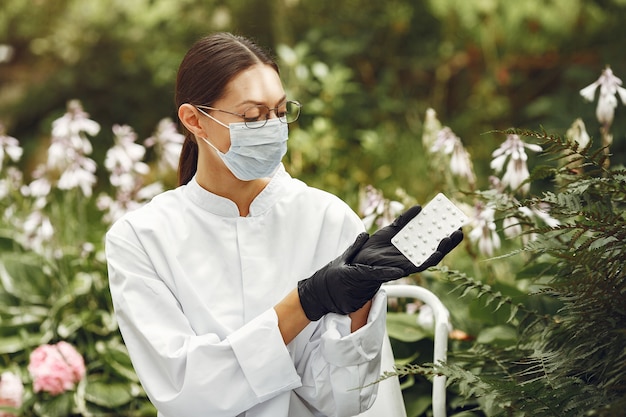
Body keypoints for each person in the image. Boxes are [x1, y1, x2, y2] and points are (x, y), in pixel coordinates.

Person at [105, 32, 462, 417]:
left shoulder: (327, 217)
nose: (273, 127)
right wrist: (306, 301)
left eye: (279, 111)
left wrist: (359, 301)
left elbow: (347, 400)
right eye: (253, 116)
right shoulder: (140, 239)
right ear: (195, 121)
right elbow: (189, 393)